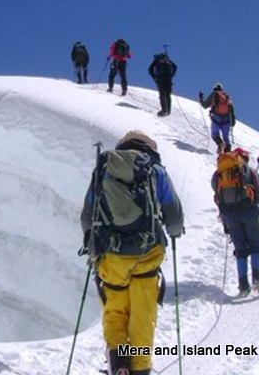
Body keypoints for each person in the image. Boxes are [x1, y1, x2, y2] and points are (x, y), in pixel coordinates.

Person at [80, 130, 184, 375]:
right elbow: (175, 215)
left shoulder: (104, 169)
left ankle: (118, 364)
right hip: (147, 254)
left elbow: (87, 215)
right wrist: (175, 232)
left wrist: (91, 243)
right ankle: (140, 369)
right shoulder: (155, 171)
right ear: (149, 149)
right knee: (142, 314)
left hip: (111, 257)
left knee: (115, 310)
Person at [212, 147, 259, 297]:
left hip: (230, 215)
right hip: (248, 211)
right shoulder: (249, 171)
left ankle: (243, 285)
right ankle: (257, 279)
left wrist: (225, 224)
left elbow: (219, 199)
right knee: (256, 246)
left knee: (241, 250)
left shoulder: (219, 174)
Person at [198, 83, 236, 153]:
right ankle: (228, 150)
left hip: (216, 118)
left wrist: (201, 98)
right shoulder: (226, 96)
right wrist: (233, 120)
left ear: (214, 88)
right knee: (226, 137)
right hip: (226, 120)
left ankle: (220, 143)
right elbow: (231, 109)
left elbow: (205, 105)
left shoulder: (214, 95)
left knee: (214, 134)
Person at [148, 53, 177, 117]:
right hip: (169, 79)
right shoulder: (168, 61)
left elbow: (150, 69)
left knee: (162, 95)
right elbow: (175, 66)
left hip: (161, 79)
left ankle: (164, 110)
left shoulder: (157, 62)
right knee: (168, 95)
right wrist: (172, 75)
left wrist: (155, 77)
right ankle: (168, 111)